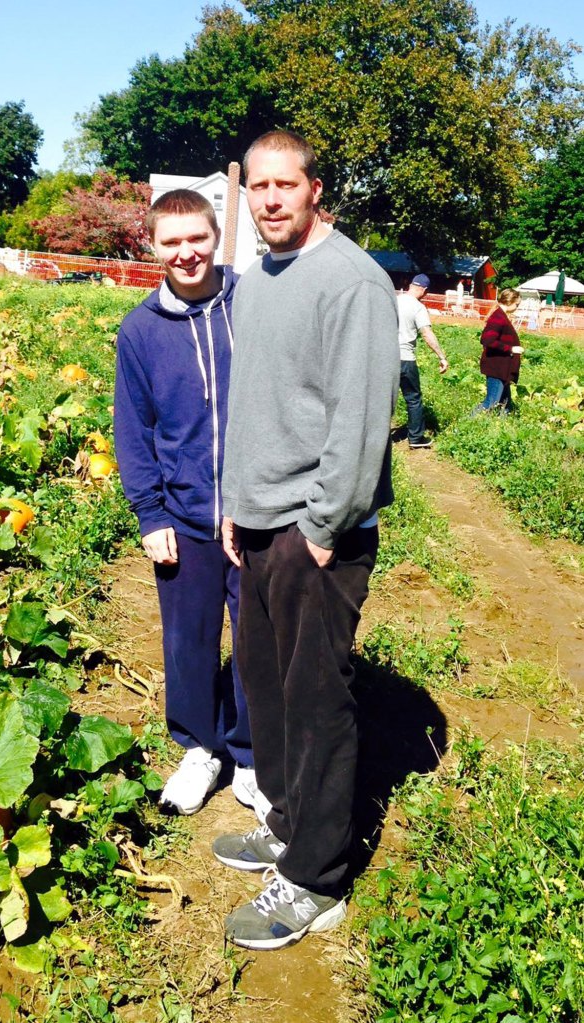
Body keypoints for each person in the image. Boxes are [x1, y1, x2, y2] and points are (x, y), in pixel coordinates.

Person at [212, 130, 400, 950]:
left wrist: (320, 529)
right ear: (245, 193)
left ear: (315, 189)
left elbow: (362, 422)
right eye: (258, 187)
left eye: (287, 185)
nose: (271, 200)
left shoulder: (352, 280)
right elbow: (255, 403)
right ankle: (288, 826)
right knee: (270, 688)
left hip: (315, 533)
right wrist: (233, 502)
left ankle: (318, 878)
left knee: (317, 701)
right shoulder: (258, 278)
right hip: (255, 523)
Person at [114, 190, 267, 820]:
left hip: (258, 513)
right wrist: (150, 513)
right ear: (154, 247)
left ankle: (254, 755)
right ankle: (200, 747)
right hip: (185, 517)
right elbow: (134, 428)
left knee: (259, 640)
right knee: (188, 639)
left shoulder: (252, 303)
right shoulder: (141, 331)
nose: (186, 252)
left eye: (196, 238)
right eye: (171, 242)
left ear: (216, 237)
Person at [397, 274, 448, 448]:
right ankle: (416, 438)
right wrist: (441, 356)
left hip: (386, 357)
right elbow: (426, 334)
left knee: (383, 399)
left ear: (410, 285)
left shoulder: (393, 300)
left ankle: (373, 437)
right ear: (424, 290)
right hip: (406, 359)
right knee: (413, 399)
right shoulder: (418, 308)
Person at [474, 287, 523, 413]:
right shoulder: (498, 318)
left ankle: (503, 428)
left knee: (505, 404)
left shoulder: (501, 316)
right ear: (509, 301)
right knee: (491, 402)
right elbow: (487, 340)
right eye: (517, 304)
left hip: (503, 368)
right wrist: (511, 348)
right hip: (497, 368)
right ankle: (466, 423)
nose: (517, 307)